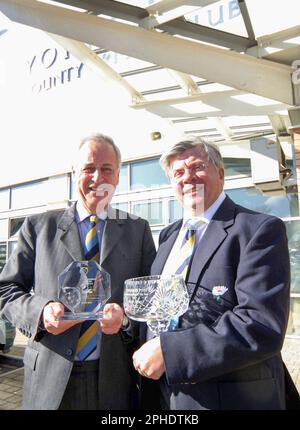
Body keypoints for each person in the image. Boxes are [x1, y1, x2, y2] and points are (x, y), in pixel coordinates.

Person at [133, 137, 292, 410]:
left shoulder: (258, 230)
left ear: (220, 173)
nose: (187, 178)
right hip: (161, 394)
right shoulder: (169, 236)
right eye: (178, 173)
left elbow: (261, 324)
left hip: (225, 398)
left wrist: (171, 353)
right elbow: (159, 310)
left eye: (197, 167)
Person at [0, 133, 156, 410]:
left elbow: (150, 300)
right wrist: (41, 312)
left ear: (117, 176)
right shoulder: (39, 227)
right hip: (50, 375)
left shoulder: (137, 229)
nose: (97, 177)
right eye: (88, 168)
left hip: (115, 379)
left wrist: (125, 320)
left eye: (106, 169)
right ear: (74, 174)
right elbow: (6, 289)